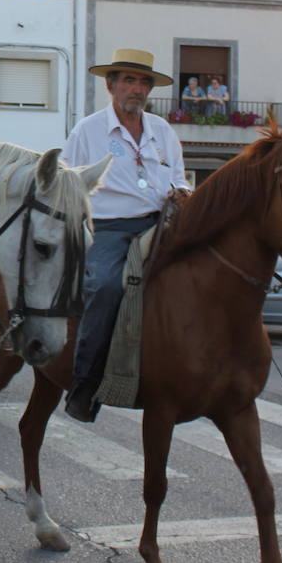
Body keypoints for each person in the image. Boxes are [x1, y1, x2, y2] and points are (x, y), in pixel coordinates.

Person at [63, 48, 190, 423]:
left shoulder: (163, 131)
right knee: (105, 286)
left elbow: (181, 178)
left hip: (161, 223)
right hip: (108, 227)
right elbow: (69, 185)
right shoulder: (87, 130)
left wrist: (181, 191)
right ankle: (84, 383)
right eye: (130, 80)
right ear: (111, 84)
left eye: (144, 82)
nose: (137, 89)